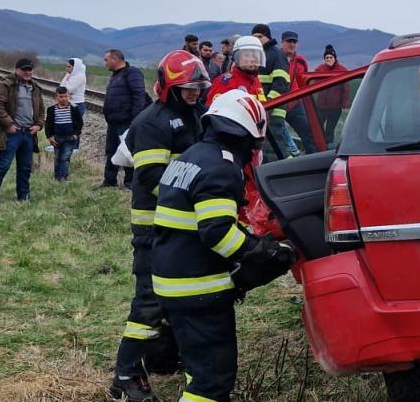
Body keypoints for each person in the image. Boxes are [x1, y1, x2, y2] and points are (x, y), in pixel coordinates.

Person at [151, 90, 296, 402]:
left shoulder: (190, 157)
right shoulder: (221, 166)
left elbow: (205, 219)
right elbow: (216, 232)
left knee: (197, 370)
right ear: (244, 133)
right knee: (211, 384)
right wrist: (259, 253)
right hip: (198, 290)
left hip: (173, 281)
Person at [108, 51, 210, 402]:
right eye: (188, 88)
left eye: (198, 87)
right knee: (149, 301)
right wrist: (194, 195)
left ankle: (162, 357)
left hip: (181, 226)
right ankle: (126, 373)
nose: (195, 93)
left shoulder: (193, 114)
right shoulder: (154, 121)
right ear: (169, 88)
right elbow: (151, 177)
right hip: (155, 228)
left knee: (173, 299)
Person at [0, 58, 44, 204]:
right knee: (3, 165)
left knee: (25, 168)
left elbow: (42, 110)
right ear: (16, 70)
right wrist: (9, 124)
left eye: (30, 70)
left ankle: (23, 197)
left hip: (29, 134)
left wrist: (39, 125)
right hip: (12, 133)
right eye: (24, 69)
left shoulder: (35, 88)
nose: (28, 72)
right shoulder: (7, 85)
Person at [101, 49, 147, 188]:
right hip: (114, 122)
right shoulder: (116, 75)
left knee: (128, 152)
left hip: (126, 121)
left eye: (106, 60)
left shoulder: (132, 73)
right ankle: (109, 181)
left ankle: (130, 182)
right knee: (111, 151)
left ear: (115, 59)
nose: (105, 63)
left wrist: (135, 120)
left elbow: (139, 96)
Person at [251, 24, 292, 161]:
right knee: (267, 145)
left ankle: (287, 171)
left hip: (274, 109)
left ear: (268, 37)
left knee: (275, 144)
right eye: (254, 37)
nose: (257, 40)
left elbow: (281, 84)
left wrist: (268, 105)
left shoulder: (276, 54)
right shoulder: (258, 55)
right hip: (261, 109)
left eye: (260, 37)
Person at [280, 30, 316, 155]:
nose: (292, 44)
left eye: (294, 42)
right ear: (282, 43)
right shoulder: (275, 58)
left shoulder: (301, 61)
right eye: (289, 41)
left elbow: (303, 81)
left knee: (309, 133)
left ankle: (314, 161)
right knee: (274, 136)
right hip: (277, 104)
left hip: (294, 103)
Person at [206, 36, 265, 105]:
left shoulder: (255, 80)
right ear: (237, 58)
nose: (252, 59)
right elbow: (213, 112)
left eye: (256, 56)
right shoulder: (224, 83)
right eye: (247, 55)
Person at [44, 86, 83, 182]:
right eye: (61, 96)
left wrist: (76, 134)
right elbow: (48, 124)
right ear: (56, 97)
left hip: (70, 137)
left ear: (69, 96)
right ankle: (57, 177)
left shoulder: (74, 108)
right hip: (57, 138)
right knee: (57, 157)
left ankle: (64, 177)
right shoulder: (52, 109)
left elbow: (80, 122)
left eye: (66, 96)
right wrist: (49, 136)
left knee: (65, 158)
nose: (64, 98)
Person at [313, 45, 349, 145]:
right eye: (326, 58)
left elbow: (346, 88)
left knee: (330, 129)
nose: (328, 59)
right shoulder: (319, 69)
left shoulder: (342, 70)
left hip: (335, 106)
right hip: (322, 106)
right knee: (318, 127)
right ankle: (319, 146)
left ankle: (328, 147)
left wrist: (344, 103)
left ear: (335, 58)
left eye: (330, 57)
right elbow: (314, 84)